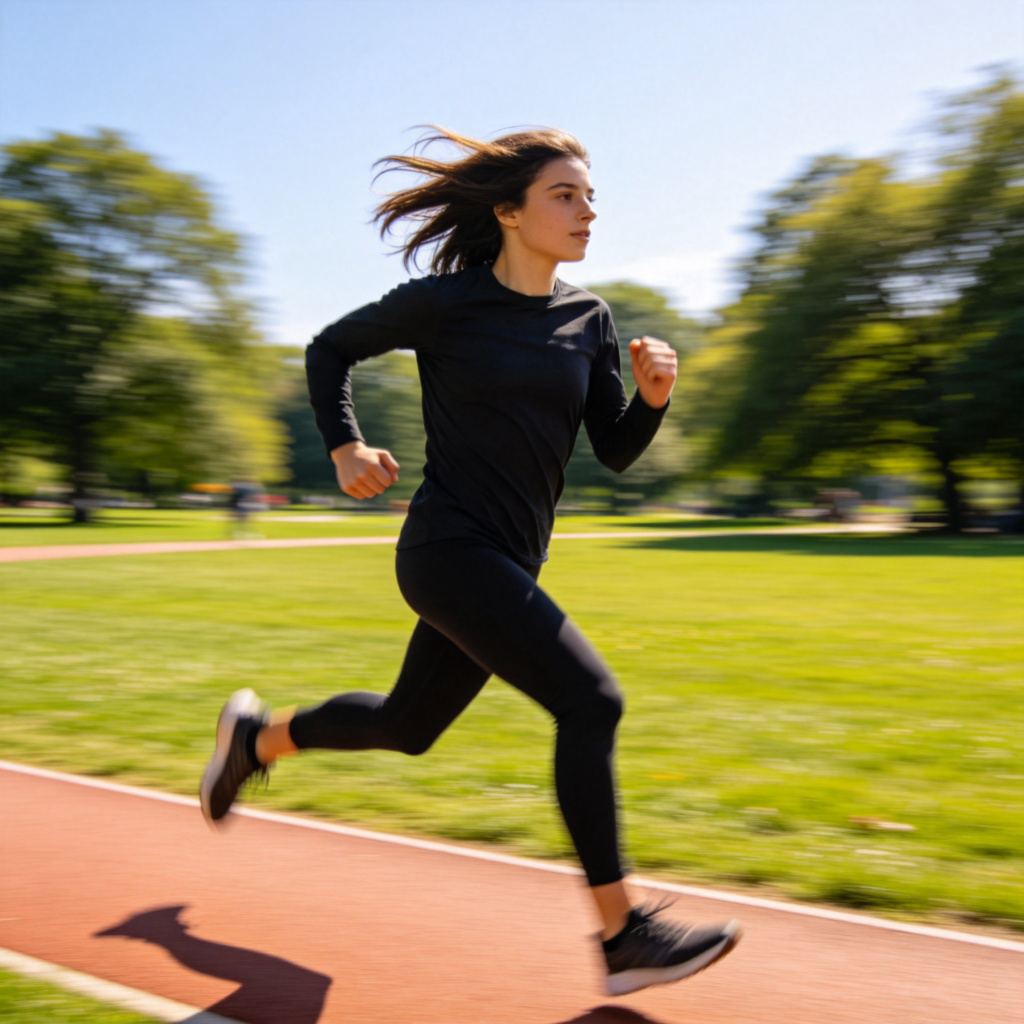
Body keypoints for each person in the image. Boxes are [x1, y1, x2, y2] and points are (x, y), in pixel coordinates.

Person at [200, 127, 740, 996]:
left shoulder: (588, 320)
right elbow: (328, 348)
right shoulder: (446, 305)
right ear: (510, 212)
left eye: (590, 197)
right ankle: (622, 932)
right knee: (591, 700)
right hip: (448, 550)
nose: (586, 211)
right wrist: (344, 447)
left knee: (408, 729)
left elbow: (616, 451)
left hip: (512, 564)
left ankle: (255, 740)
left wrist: (653, 399)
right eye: (565, 195)